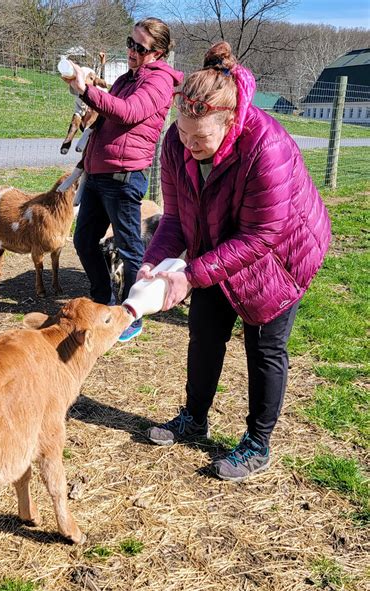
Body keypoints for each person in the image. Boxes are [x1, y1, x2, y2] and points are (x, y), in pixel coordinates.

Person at [139, 42, 331, 481]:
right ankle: (194, 417)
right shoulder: (177, 142)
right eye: (183, 134)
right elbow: (175, 216)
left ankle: (257, 443)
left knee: (264, 346)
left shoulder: (267, 146)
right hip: (220, 241)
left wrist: (191, 274)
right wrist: (156, 261)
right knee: (204, 332)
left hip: (280, 255)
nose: (189, 145)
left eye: (199, 138)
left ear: (230, 121)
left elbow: (262, 234)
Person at [65, 18, 183, 342]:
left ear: (157, 52)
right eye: (129, 43)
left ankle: (132, 315)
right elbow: (107, 112)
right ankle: (105, 303)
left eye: (139, 47)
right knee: (84, 241)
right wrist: (87, 94)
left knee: (131, 250)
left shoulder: (158, 83)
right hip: (101, 173)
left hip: (124, 176)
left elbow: (128, 112)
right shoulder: (125, 79)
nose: (131, 51)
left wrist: (87, 91)